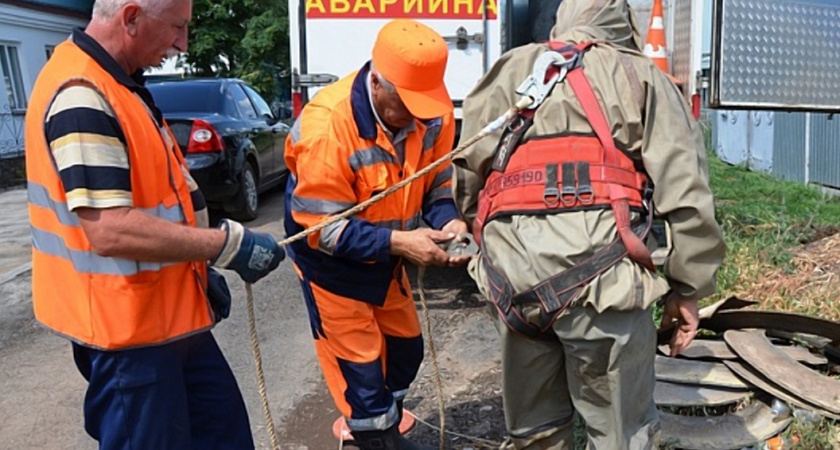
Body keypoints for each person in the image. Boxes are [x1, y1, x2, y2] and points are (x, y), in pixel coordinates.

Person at [451, 0, 726, 448]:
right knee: (620, 435)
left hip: (511, 283)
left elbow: (467, 177)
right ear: (623, 23)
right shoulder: (640, 76)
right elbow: (687, 194)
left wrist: (491, 244)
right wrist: (688, 288)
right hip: (601, 283)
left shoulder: (509, 70)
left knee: (534, 433)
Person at [24, 0, 286, 448]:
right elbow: (110, 229)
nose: (182, 43)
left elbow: (167, 198)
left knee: (226, 436)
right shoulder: (83, 94)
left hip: (167, 322)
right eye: (177, 28)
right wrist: (224, 246)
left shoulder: (120, 86)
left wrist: (198, 274)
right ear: (130, 18)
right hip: (127, 338)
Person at [283, 18, 469, 450]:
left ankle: (378, 427)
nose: (414, 117)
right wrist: (403, 243)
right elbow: (322, 232)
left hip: (385, 264)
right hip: (332, 270)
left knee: (406, 351)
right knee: (362, 374)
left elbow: (436, 187)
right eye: (405, 104)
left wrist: (449, 223)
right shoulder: (327, 127)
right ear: (377, 82)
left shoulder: (434, 114)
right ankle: (373, 435)